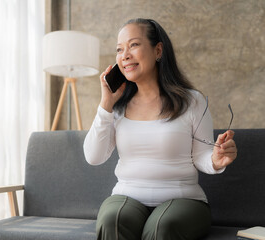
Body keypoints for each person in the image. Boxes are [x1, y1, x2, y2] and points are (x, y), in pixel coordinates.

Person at [83, 18, 237, 240]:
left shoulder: (191, 101)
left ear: (158, 50)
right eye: (119, 49)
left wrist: (215, 159)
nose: (124, 55)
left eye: (133, 45)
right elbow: (93, 157)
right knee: (112, 220)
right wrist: (106, 104)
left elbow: (201, 156)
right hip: (127, 195)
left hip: (184, 200)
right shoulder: (116, 108)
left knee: (161, 227)